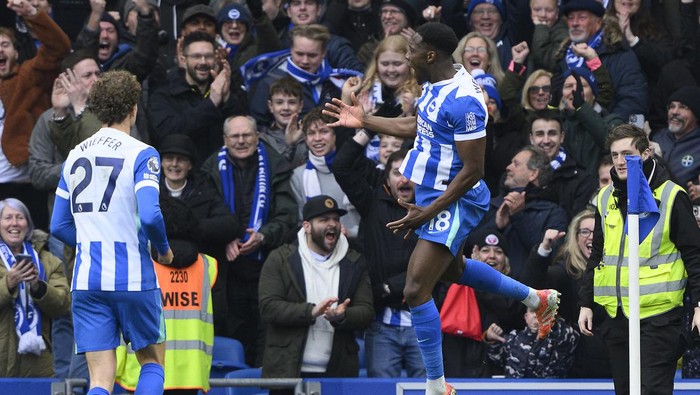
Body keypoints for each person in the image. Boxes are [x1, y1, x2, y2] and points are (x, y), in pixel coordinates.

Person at [323, 22, 560, 395]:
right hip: (432, 194)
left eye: (412, 49)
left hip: (455, 197)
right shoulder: (437, 81)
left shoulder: (466, 101)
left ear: (430, 56)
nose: (405, 56)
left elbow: (474, 171)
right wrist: (365, 120)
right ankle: (536, 297)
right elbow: (418, 125)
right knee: (455, 270)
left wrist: (429, 210)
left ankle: (436, 385)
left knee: (416, 289)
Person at [50, 70, 174, 395]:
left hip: (87, 279)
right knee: (152, 362)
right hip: (132, 276)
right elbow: (150, 215)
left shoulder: (74, 156)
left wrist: (93, 241)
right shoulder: (142, 153)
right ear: (133, 108)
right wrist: (163, 248)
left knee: (100, 379)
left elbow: (57, 226)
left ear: (98, 109)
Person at [578, 123, 700, 394]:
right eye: (615, 155)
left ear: (646, 154)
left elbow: (694, 255)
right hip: (617, 314)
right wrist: (586, 302)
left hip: (660, 316)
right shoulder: (604, 198)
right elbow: (597, 254)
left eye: (627, 154)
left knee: (652, 390)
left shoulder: (671, 195)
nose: (620, 162)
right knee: (624, 389)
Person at [200, 115, 298, 366]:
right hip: (226, 271)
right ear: (225, 140)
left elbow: (287, 217)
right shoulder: (210, 168)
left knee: (266, 336)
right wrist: (224, 236)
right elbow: (202, 215)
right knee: (232, 333)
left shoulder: (276, 165)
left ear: (257, 137)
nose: (241, 141)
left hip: (267, 268)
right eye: (235, 136)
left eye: (246, 135)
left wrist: (264, 235)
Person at [258, 195, 374, 394]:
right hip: (288, 371)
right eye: (324, 220)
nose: (333, 225)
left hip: (338, 373)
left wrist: (343, 316)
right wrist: (311, 311)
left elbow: (366, 311)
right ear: (307, 226)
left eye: (336, 220)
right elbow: (268, 307)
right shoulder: (280, 258)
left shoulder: (354, 262)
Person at [334, 142, 425, 378]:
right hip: (382, 324)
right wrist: (366, 129)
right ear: (387, 179)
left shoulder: (435, 209)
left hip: (425, 323)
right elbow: (341, 167)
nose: (404, 179)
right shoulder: (371, 203)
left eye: (411, 173)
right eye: (397, 173)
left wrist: (389, 287)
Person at [115, 195, 218, 395]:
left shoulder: (139, 264)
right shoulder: (207, 266)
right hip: (190, 374)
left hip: (144, 371)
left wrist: (115, 368)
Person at [0, 0, 70, 232]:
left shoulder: (27, 76)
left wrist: (33, 14)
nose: (0, 50)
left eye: (5, 44)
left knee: (37, 249)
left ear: (17, 52)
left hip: (24, 185)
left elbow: (59, 47)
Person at [522, 210, 612, 378]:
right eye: (585, 232)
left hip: (615, 358)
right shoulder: (566, 271)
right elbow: (535, 287)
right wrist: (545, 247)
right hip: (577, 363)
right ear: (575, 238)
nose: (591, 237)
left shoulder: (619, 270)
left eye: (598, 231)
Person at [148, 31, 247, 164]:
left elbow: (242, 131)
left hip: (220, 175)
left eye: (208, 56)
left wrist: (227, 97)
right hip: (182, 178)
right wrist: (211, 104)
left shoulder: (225, 94)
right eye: (196, 56)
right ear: (183, 59)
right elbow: (168, 133)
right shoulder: (164, 95)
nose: (203, 62)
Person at [0, 198, 70, 377]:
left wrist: (38, 286)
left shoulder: (48, 261)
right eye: (7, 218)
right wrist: (8, 283)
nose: (14, 223)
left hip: (38, 362)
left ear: (28, 224)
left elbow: (63, 305)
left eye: (20, 217)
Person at [482, 146, 568, 277]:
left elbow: (552, 256)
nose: (508, 167)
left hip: (528, 292)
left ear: (533, 174)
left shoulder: (553, 213)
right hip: (487, 290)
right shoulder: (494, 205)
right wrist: (496, 225)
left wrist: (519, 216)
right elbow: (468, 246)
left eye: (516, 164)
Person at [290, 107, 362, 240]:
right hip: (317, 249)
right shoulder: (298, 176)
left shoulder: (355, 169)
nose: (317, 138)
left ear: (335, 135)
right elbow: (299, 222)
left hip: (357, 246)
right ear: (305, 139)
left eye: (324, 131)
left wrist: (350, 233)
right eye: (311, 133)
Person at [528, 109, 597, 222]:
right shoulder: (518, 171)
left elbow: (578, 225)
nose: (546, 140)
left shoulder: (582, 179)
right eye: (540, 134)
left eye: (552, 133)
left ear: (562, 137)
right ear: (531, 139)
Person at [485, 308, 579, 378]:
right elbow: (498, 360)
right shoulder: (514, 337)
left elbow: (572, 337)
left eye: (542, 312)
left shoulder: (558, 338)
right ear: (526, 317)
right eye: (533, 311)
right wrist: (491, 340)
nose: (536, 316)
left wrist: (550, 327)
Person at [651, 86, 700, 188]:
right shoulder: (658, 138)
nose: (674, 112)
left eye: (683, 107)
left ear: (696, 114)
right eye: (672, 106)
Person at [258, 77, 308, 167]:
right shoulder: (263, 140)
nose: (286, 108)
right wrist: (290, 145)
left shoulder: (311, 135)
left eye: (292, 102)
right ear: (271, 106)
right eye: (279, 102)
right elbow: (276, 169)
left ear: (300, 106)